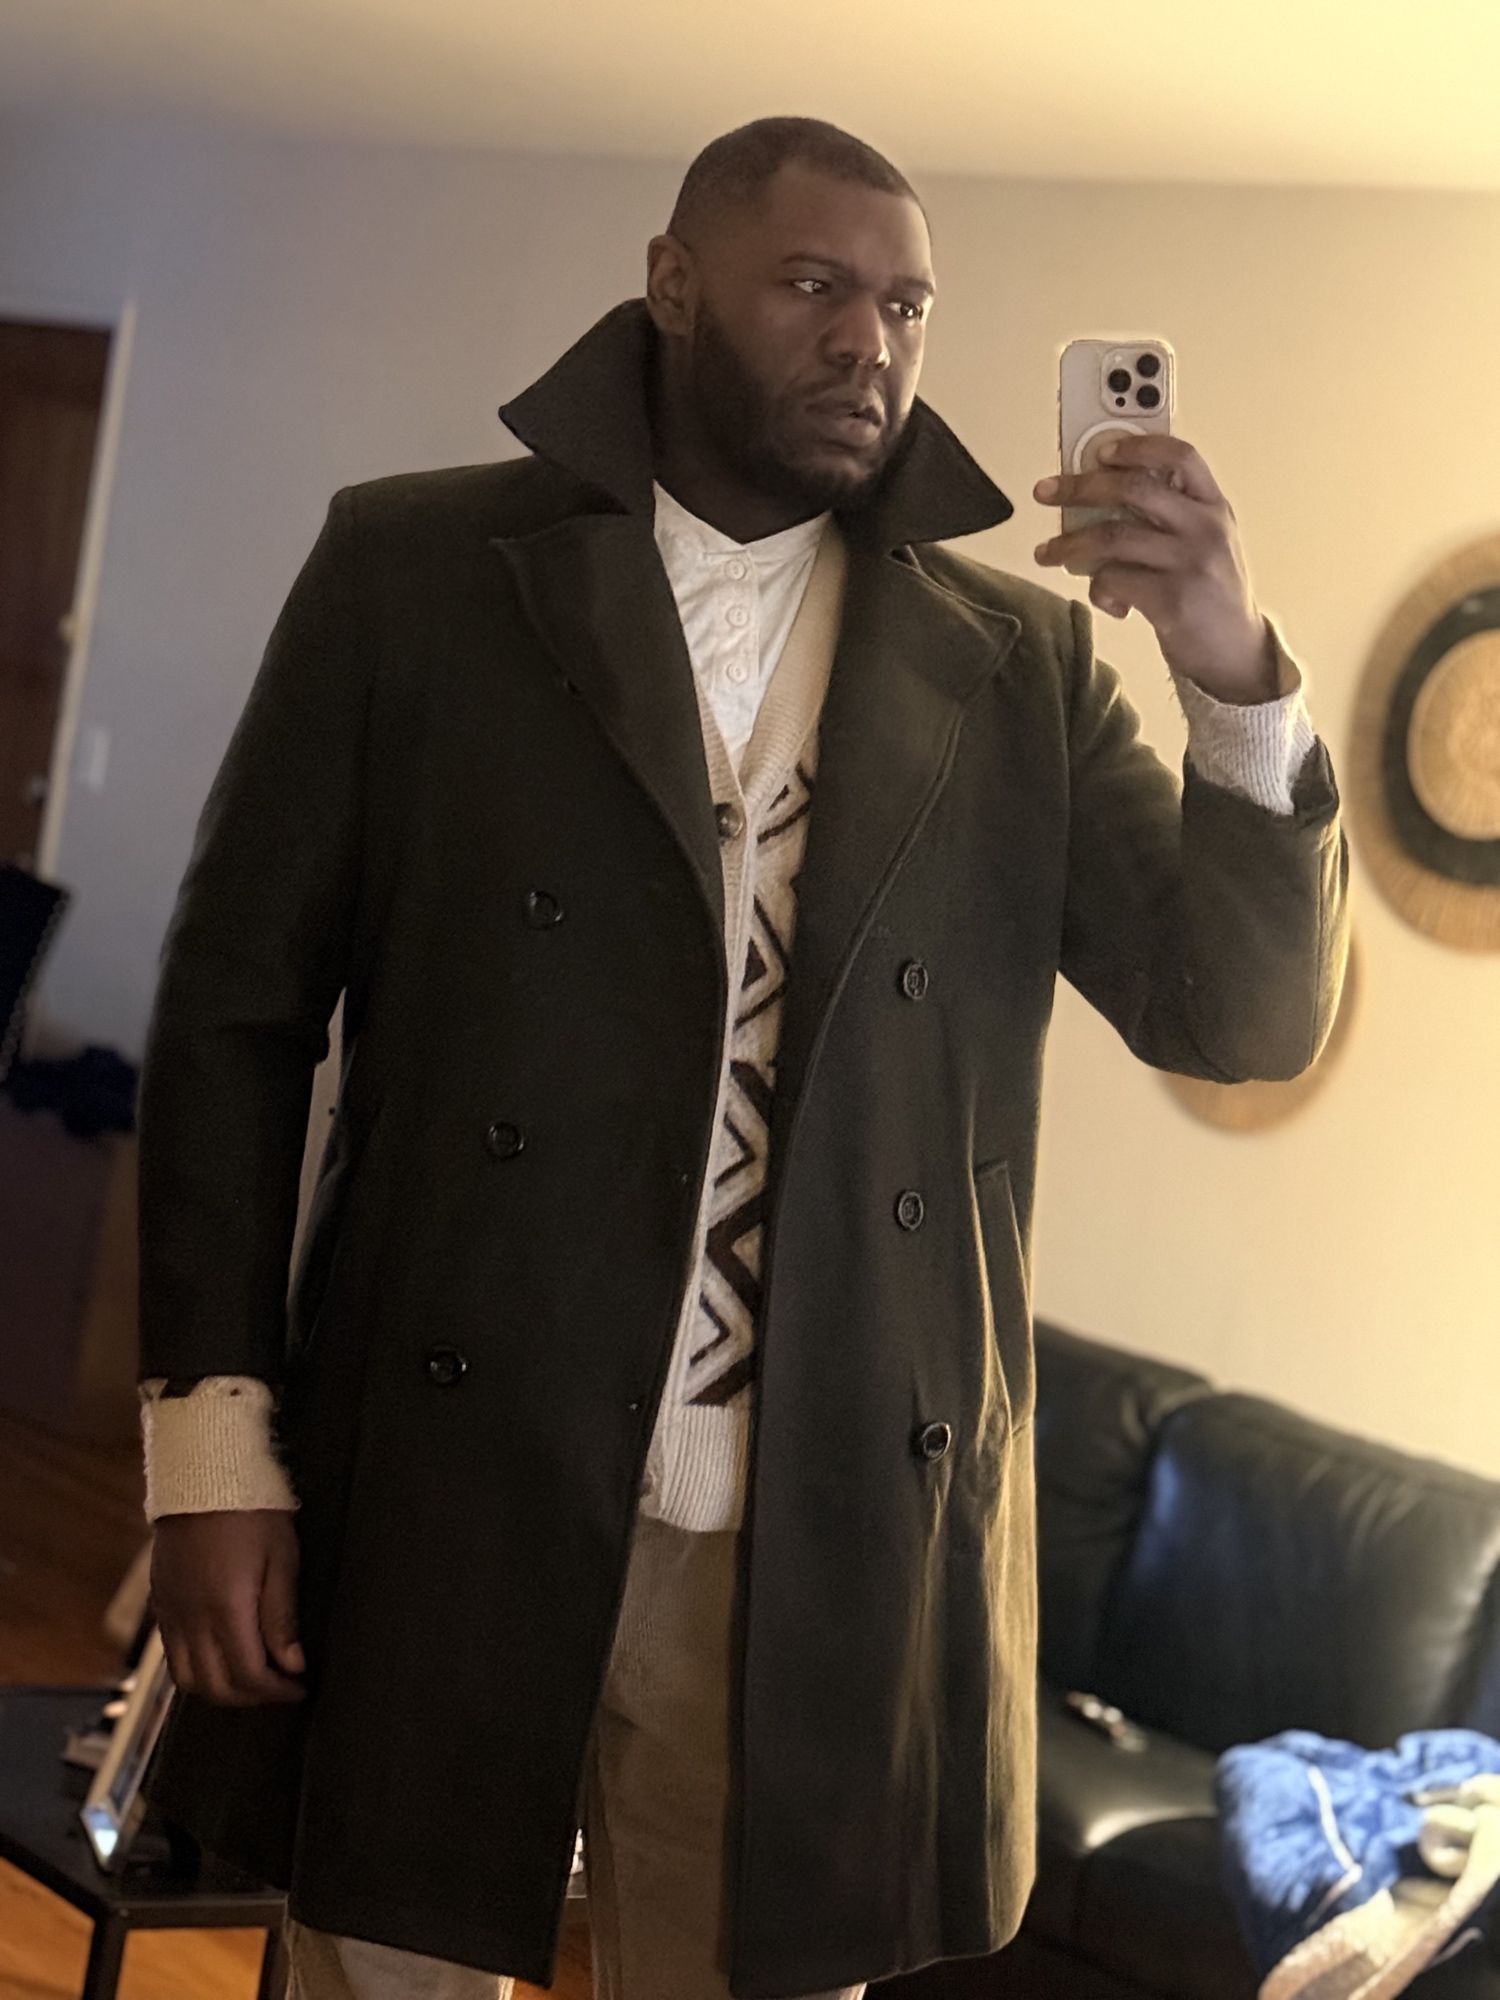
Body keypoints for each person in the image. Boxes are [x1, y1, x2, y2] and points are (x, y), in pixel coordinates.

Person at [138, 117, 1347, 2000]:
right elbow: (232, 1020)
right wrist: (212, 1451)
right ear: (675, 283)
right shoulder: (417, 571)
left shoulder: (1021, 668)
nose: (870, 339)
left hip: (819, 1539)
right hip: (449, 1480)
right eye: (813, 284)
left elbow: (1244, 1020)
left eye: (908, 305)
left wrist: (1225, 661)